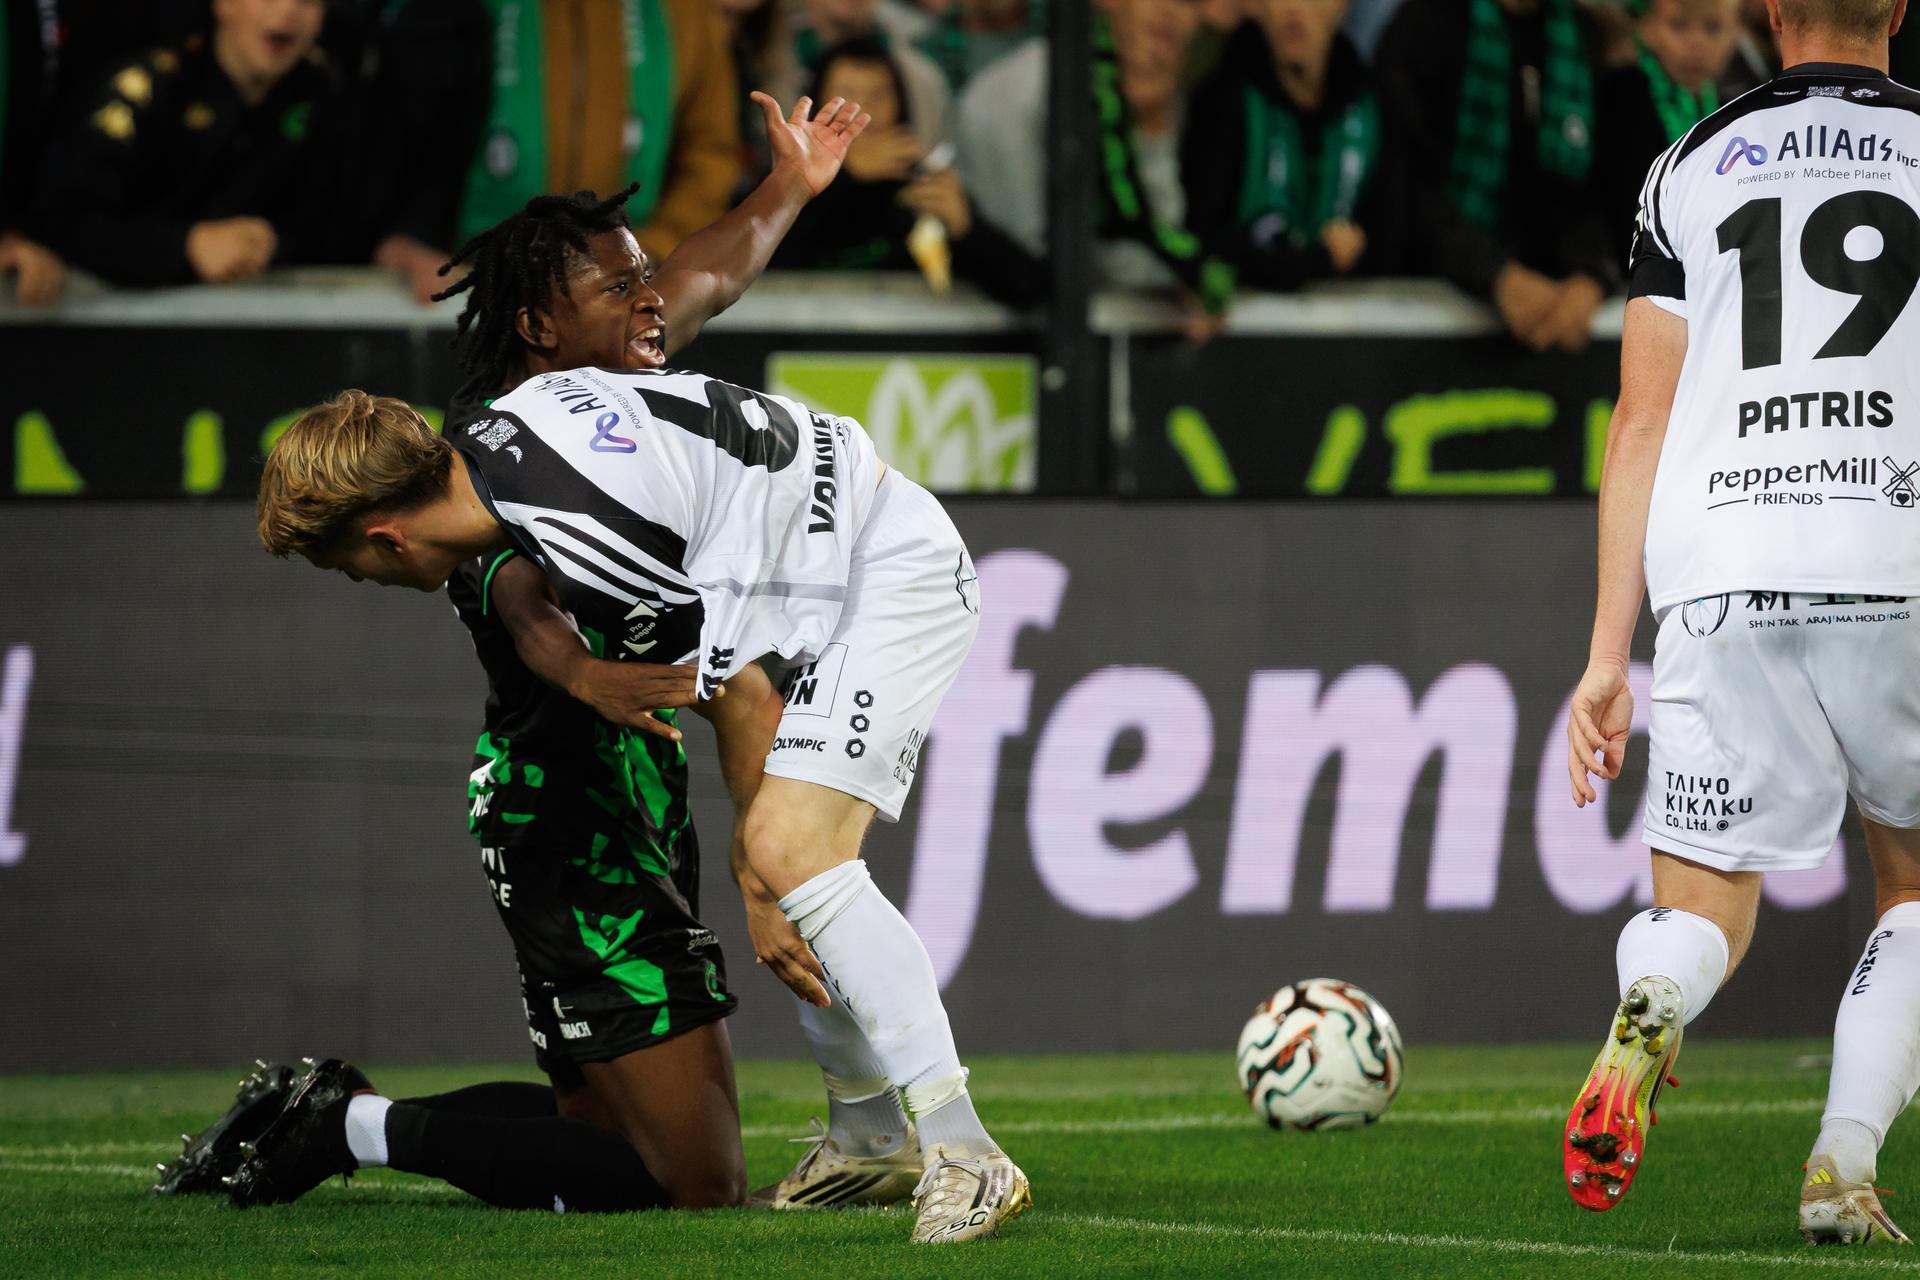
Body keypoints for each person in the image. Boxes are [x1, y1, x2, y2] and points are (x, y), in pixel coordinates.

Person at [254, 192, 1029, 1248]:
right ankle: (865, 1133)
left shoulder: (586, 539)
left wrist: (762, 888)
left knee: (789, 853)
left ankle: (963, 1147)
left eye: (344, 561)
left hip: (884, 576)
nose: (363, 579)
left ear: (385, 533)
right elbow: (684, 300)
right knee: (791, 860)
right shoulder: (499, 425)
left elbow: (741, 689)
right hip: (845, 550)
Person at [176, 94, 871, 1217]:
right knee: (698, 1181)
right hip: (571, 809)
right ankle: (347, 1122)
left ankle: (338, 1114)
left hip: (630, 782)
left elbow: (710, 270)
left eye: (646, 279)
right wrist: (580, 669)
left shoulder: (618, 398)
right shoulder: (507, 431)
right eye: (620, 285)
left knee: (599, 1129)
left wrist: (790, 185)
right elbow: (508, 579)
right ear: (542, 325)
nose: (654, 299)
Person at [1563, 0, 1920, 1244]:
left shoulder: (1690, 166)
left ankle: (1654, 993)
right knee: (1918, 889)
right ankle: (1841, 1163)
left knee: (1703, 901)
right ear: (1901, 11)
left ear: (1771, 12)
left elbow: (1640, 423)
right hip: (1899, 545)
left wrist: (1610, 656)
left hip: (1721, 560)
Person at [26, 0, 337, 288]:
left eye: (308, 0)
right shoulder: (153, 86)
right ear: (224, 4)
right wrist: (185, 246)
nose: (288, 10)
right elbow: (67, 220)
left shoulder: (322, 90)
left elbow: (326, 223)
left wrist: (273, 242)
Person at [1373, 0, 1614, 351]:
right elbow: (1403, 185)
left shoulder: (1585, 38)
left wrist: (1590, 276)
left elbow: (1599, 188)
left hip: (1555, 323)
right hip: (1431, 317)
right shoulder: (1426, 25)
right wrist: (1494, 275)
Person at [455, 0, 741, 264]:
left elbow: (710, 154)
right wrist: (422, 236)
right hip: (466, 272)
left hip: (627, 283)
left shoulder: (684, 12)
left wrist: (652, 249)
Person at [775, 38, 1041, 304]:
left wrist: (967, 231)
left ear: (901, 105)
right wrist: (846, 178)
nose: (864, 112)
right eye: (845, 97)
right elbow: (762, 265)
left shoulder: (924, 188)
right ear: (815, 107)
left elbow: (1029, 289)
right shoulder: (785, 183)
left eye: (879, 95)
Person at [1182, 0, 1411, 291]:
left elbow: (1392, 247)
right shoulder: (1220, 102)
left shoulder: (1376, 108)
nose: (1292, 8)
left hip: (1351, 326)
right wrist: (1317, 260)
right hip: (1242, 329)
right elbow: (1204, 243)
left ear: (1342, 6)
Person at [1596, 0, 1742, 261]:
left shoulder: (1728, 106)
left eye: (1712, 27)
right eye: (1678, 25)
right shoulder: (1627, 94)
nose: (1696, 42)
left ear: (1734, 34)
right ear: (1647, 27)